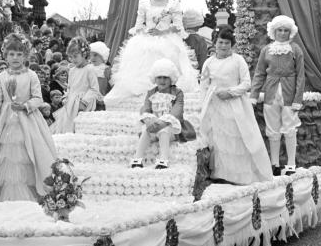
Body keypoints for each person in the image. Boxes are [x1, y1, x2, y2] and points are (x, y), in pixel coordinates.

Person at [106, 0, 199, 104]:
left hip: (167, 38)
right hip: (147, 37)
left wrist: (162, 32)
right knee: (140, 56)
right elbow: (138, 25)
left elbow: (178, 26)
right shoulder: (144, 3)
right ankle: (142, 95)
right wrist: (146, 31)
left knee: (170, 55)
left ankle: (167, 92)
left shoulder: (173, 4)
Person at [0, 32, 57, 201]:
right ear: (5, 55)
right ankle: (8, 194)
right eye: (11, 54)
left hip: (28, 119)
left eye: (19, 54)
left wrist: (25, 106)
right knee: (8, 156)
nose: (15, 58)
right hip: (6, 120)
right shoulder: (1, 76)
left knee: (29, 153)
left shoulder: (31, 75)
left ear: (25, 55)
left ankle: (33, 191)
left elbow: (38, 98)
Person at [200, 27, 272, 184]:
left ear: (231, 44)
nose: (223, 46)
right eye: (220, 42)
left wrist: (230, 92)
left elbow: (247, 83)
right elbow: (204, 84)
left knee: (236, 137)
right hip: (215, 104)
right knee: (219, 139)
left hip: (235, 104)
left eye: (227, 43)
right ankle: (220, 173)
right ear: (214, 43)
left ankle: (239, 176)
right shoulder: (208, 62)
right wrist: (205, 102)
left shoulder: (238, 60)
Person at [250, 15, 305, 176]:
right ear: (274, 31)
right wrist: (254, 94)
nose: (282, 33)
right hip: (270, 93)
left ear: (290, 32)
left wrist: (297, 99)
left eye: (285, 30)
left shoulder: (295, 49)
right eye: (279, 30)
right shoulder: (266, 50)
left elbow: (301, 75)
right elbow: (259, 73)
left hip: (289, 95)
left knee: (290, 128)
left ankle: (291, 164)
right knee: (272, 129)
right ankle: (274, 164)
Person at [130, 59, 196, 169]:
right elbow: (146, 107)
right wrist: (147, 118)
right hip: (154, 126)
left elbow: (177, 110)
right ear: (155, 79)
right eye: (159, 77)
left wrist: (163, 122)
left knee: (164, 130)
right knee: (146, 130)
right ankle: (137, 158)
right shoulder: (151, 93)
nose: (162, 80)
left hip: (171, 128)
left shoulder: (177, 93)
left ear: (171, 79)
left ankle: (163, 159)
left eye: (165, 77)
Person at [50, 37, 100, 133]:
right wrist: (66, 97)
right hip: (71, 103)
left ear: (84, 54)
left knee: (80, 126)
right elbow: (70, 87)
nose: (73, 60)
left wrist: (84, 102)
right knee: (68, 126)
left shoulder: (90, 69)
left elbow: (94, 89)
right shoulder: (72, 70)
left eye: (75, 56)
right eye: (70, 57)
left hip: (83, 103)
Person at [89, 41, 112, 108]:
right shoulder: (87, 69)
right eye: (90, 55)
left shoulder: (107, 70)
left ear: (103, 56)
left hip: (101, 105)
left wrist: (106, 99)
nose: (92, 58)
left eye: (95, 55)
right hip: (88, 103)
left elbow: (114, 88)